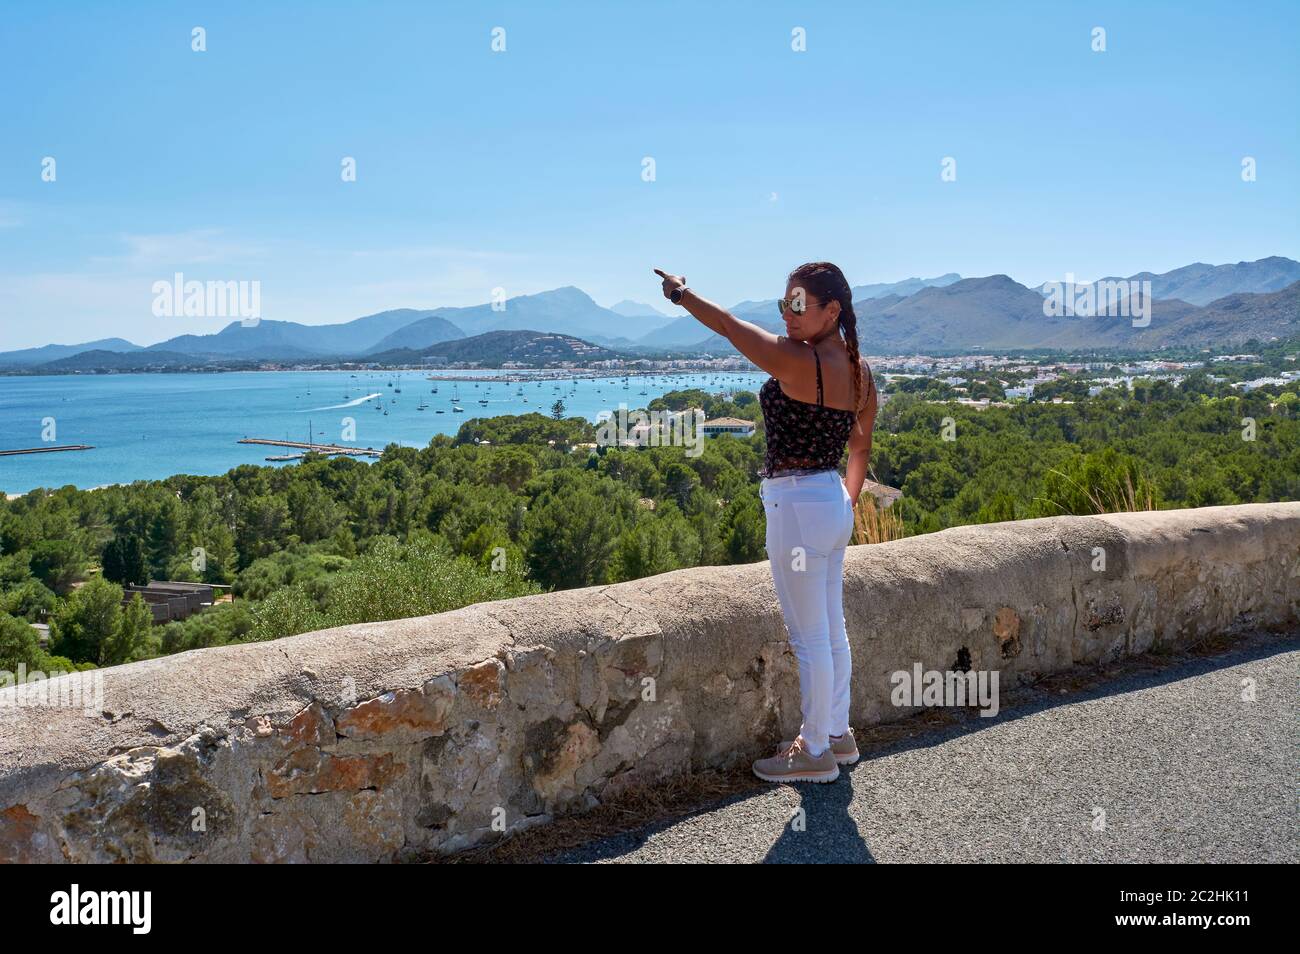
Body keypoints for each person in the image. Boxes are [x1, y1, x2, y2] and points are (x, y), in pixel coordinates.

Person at [654, 263, 878, 783]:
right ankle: (837, 735)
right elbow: (860, 447)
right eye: (785, 305)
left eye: (799, 304)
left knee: (809, 639)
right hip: (831, 502)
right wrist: (843, 502)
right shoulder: (862, 371)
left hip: (796, 505)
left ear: (832, 311)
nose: (789, 314)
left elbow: (730, 327)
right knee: (833, 630)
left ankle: (814, 750)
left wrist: (683, 295)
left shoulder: (794, 359)